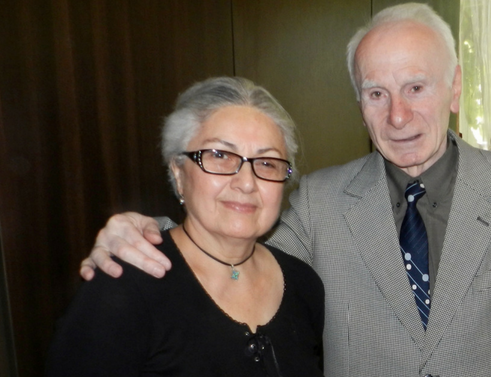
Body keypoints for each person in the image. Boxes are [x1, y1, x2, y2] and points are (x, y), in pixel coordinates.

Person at [82, 3, 491, 376]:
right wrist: (150, 236)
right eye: (376, 93)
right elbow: (237, 252)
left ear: (456, 87)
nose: (397, 116)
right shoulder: (322, 198)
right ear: (359, 102)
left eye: (416, 88)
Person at [49, 77, 325, 376]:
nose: (247, 183)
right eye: (219, 156)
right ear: (179, 173)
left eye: (267, 163)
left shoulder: (303, 285)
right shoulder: (124, 286)